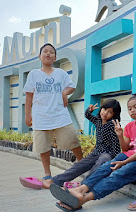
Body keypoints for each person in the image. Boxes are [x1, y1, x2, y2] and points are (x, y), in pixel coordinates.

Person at [50, 94, 136, 212]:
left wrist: (123, 162)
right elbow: (125, 148)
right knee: (104, 168)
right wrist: (120, 136)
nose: (132, 110)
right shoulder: (130, 126)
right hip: (125, 156)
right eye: (130, 108)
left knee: (116, 175)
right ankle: (81, 189)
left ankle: (82, 199)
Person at [20, 43, 83, 188]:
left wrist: (63, 93)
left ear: (55, 57)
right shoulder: (34, 74)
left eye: (51, 52)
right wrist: (27, 115)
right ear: (40, 56)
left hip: (60, 115)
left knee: (73, 140)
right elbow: (29, 96)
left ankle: (83, 164)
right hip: (40, 116)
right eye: (45, 51)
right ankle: (47, 174)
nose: (48, 54)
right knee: (43, 147)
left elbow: (71, 86)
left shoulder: (60, 73)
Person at [41, 99, 121, 189]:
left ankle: (84, 184)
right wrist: (89, 110)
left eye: (109, 112)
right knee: (80, 165)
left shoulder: (112, 125)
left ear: (114, 115)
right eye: (104, 109)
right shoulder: (98, 121)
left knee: (101, 161)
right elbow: (87, 115)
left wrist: (116, 159)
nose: (105, 113)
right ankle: (56, 180)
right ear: (101, 109)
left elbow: (116, 145)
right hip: (97, 152)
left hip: (107, 153)